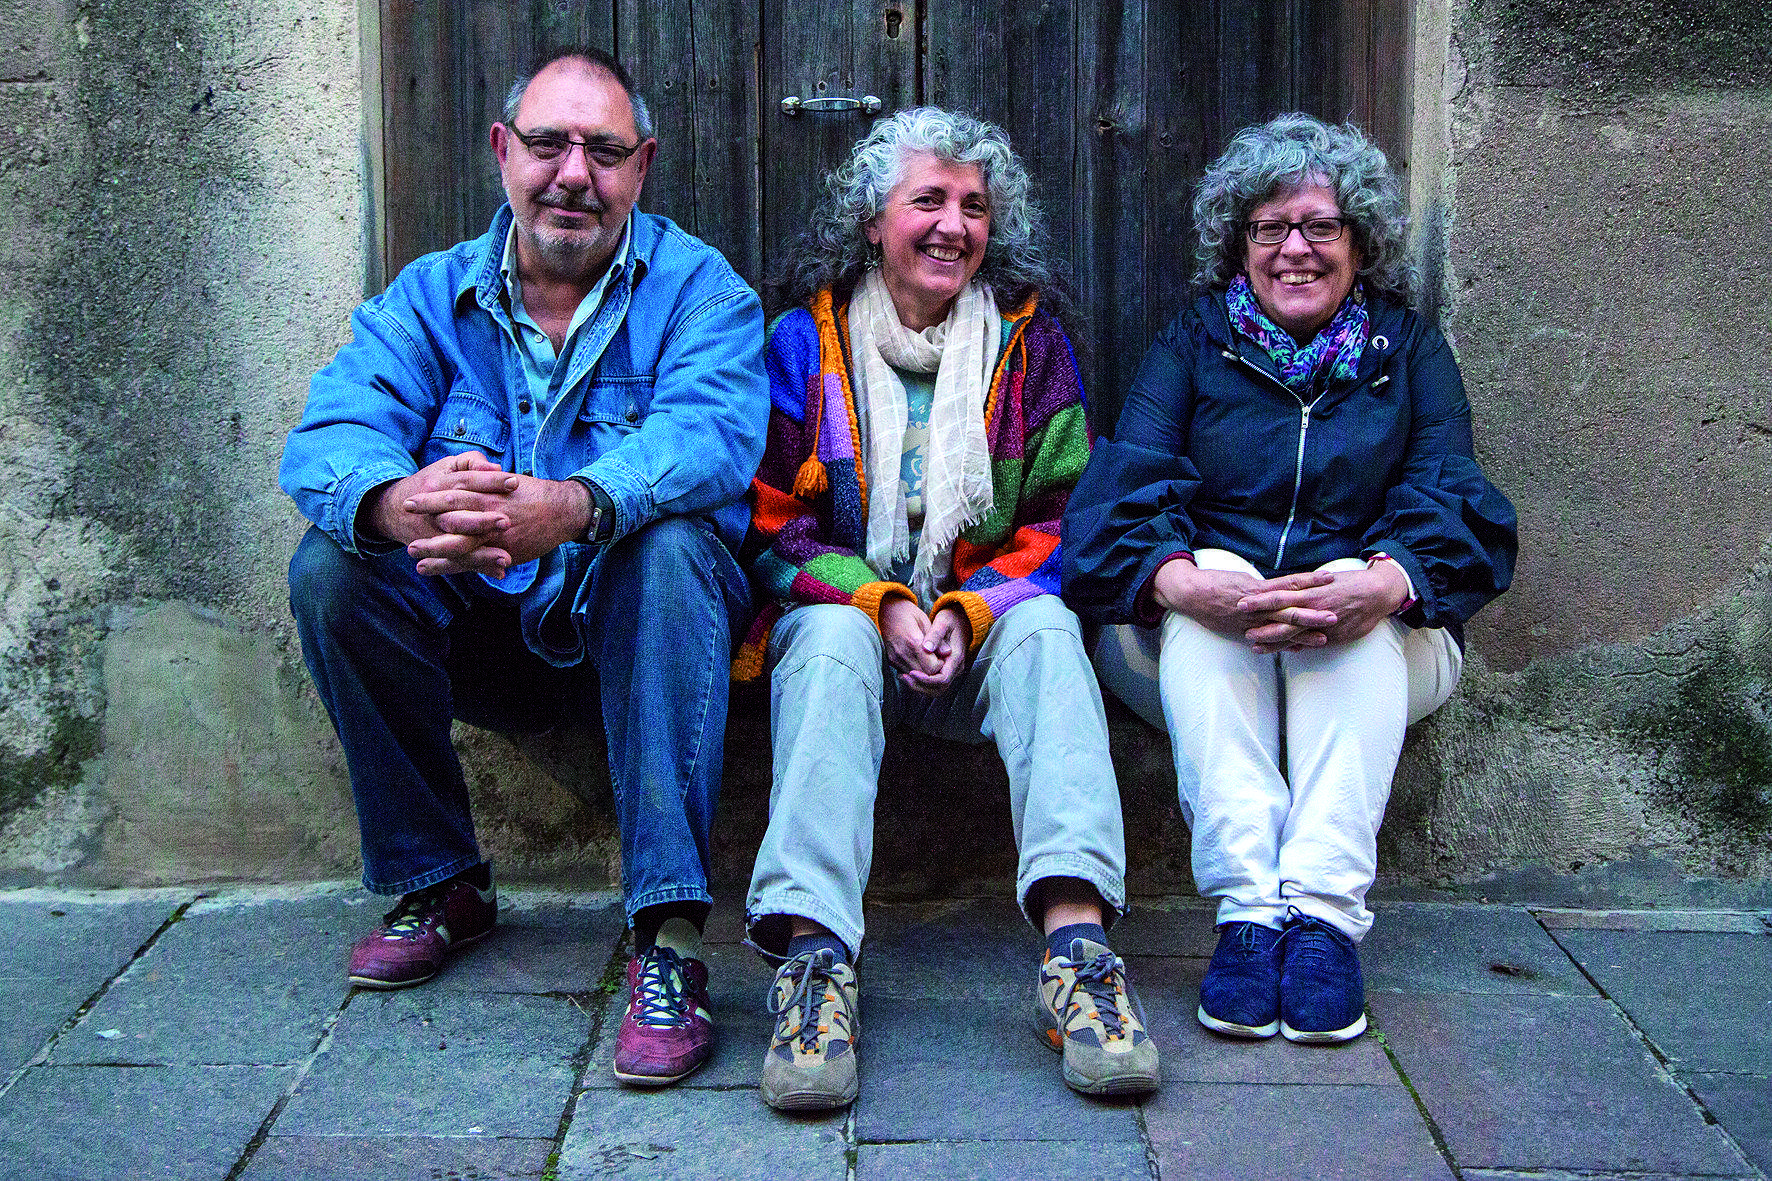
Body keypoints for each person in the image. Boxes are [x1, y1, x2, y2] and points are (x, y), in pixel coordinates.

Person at [279, 47, 768, 1087]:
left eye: (602, 150)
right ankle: (440, 877)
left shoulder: (702, 293)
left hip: (639, 629)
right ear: (503, 151)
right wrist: (392, 499)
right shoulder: (427, 297)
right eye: (547, 144)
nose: (571, 174)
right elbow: (329, 431)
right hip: (486, 634)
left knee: (676, 543)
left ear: (641, 167)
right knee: (335, 564)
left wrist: (576, 506)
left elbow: (713, 435)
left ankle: (667, 932)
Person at [735, 107, 1159, 1111]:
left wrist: (968, 610)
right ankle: (812, 966)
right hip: (850, 636)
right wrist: (879, 601)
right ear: (871, 223)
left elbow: (1062, 523)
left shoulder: (1028, 347)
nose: (952, 225)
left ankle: (1079, 953)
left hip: (975, 636)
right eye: (925, 200)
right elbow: (763, 526)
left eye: (972, 206)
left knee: (1051, 627)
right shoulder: (804, 344)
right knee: (833, 632)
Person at [1063, 114, 1516, 1045]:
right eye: (1269, 228)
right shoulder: (1192, 344)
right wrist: (1183, 581)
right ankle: (1247, 914)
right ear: (1240, 244)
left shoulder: (1409, 350)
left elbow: (1454, 496)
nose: (1294, 249)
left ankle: (1320, 919)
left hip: (1386, 647)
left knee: (1347, 580)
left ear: (1360, 242)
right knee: (1214, 568)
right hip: (1190, 647)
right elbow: (1116, 501)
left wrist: (1385, 583)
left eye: (1320, 226)